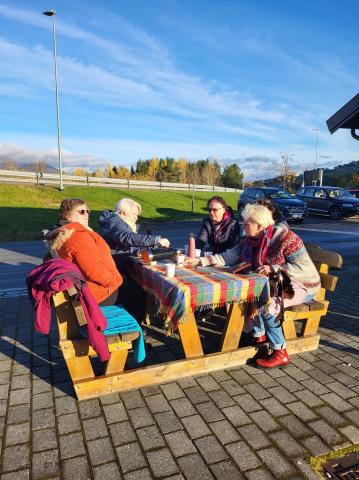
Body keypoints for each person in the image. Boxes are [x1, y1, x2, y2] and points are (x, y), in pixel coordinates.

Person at [187, 203, 321, 368]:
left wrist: (273, 268)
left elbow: (304, 269)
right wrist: (199, 261)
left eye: (247, 222)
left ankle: (280, 351)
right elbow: (227, 257)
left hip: (302, 284)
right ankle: (259, 335)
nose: (243, 225)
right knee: (250, 293)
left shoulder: (287, 239)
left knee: (267, 304)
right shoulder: (249, 241)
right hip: (273, 284)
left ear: (260, 225)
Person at [46, 198, 123, 305]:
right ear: (68, 216)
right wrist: (114, 281)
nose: (86, 214)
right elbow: (93, 271)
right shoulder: (78, 236)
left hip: (83, 290)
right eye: (82, 212)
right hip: (97, 294)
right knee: (135, 291)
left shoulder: (64, 232)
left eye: (87, 211)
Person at [98, 198, 170, 265]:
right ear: (123, 213)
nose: (136, 217)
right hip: (114, 266)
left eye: (137, 215)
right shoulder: (115, 223)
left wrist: (138, 251)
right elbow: (127, 237)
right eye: (134, 214)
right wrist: (156, 239)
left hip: (117, 262)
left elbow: (124, 246)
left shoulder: (118, 222)